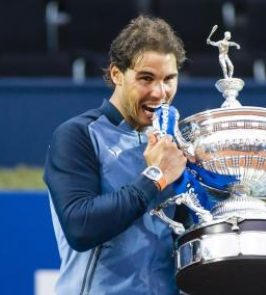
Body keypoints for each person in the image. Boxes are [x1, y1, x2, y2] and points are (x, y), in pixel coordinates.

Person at [44, 15, 188, 294]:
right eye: (146, 78)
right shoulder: (77, 135)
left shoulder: (176, 145)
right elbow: (81, 226)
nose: (160, 93)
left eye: (169, 79)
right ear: (116, 74)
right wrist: (155, 176)